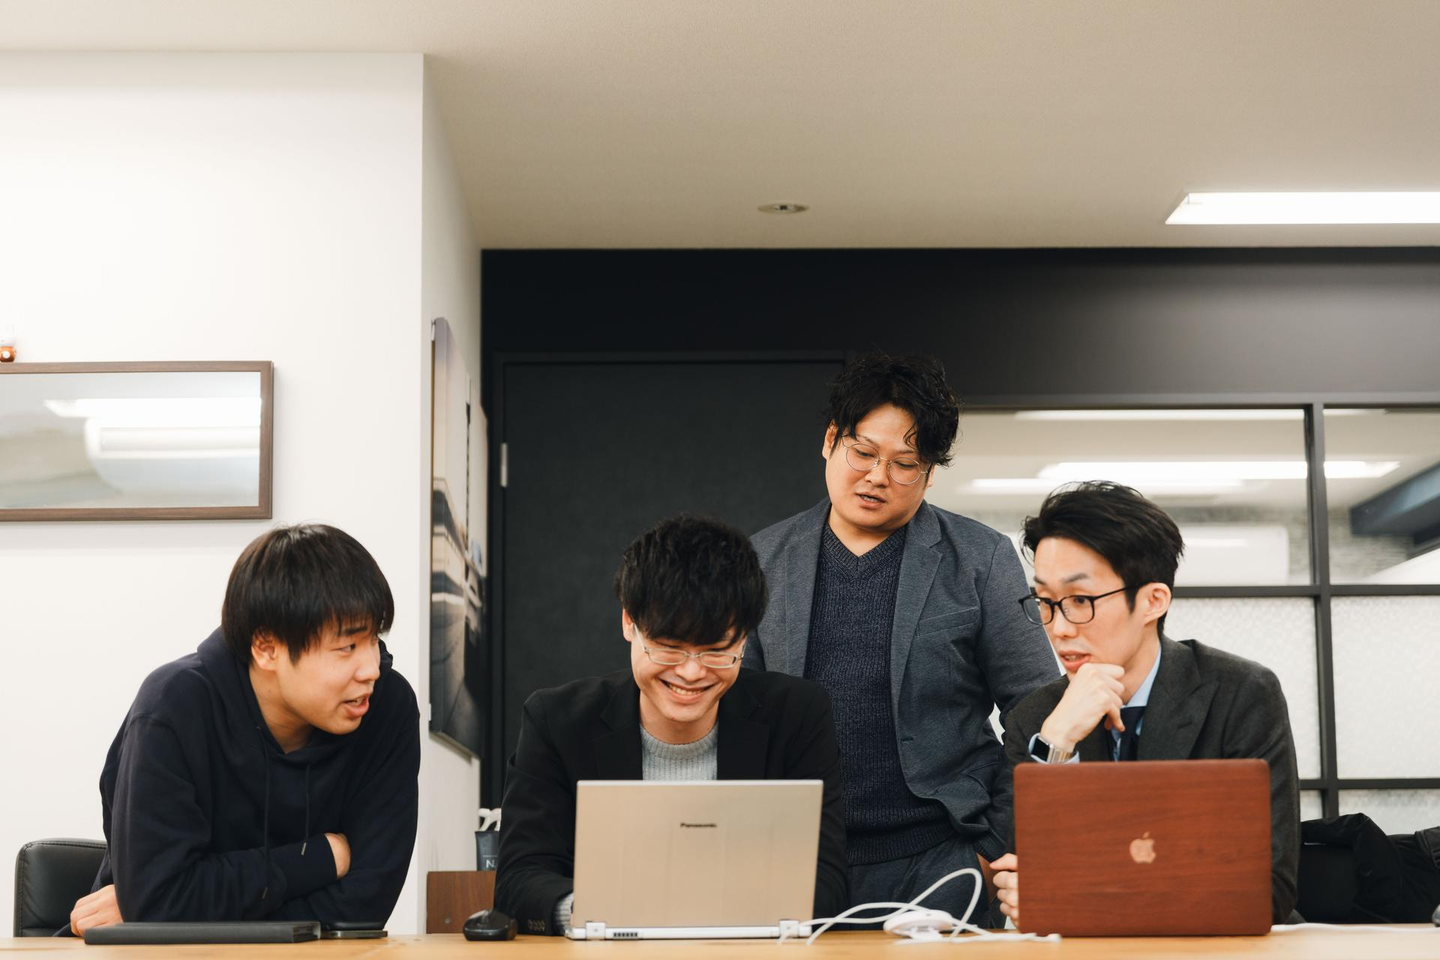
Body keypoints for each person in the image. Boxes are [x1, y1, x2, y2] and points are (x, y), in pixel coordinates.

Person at [746, 353, 1058, 920]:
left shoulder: (980, 558)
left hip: (943, 859)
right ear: (831, 441)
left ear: (931, 472)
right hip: (796, 860)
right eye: (863, 453)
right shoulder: (763, 559)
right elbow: (734, 715)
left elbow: (1037, 710)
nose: (877, 476)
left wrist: (995, 845)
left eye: (904, 463)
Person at [495, 515, 849, 935]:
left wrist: (689, 909)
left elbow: (828, 883)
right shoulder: (557, 721)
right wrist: (600, 911)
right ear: (629, 622)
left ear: (744, 637)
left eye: (716, 650)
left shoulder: (796, 715)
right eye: (669, 648)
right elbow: (518, 881)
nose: (691, 672)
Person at [69, 524, 419, 935]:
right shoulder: (173, 706)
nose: (371, 668)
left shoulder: (386, 708)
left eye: (374, 639)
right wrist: (320, 858)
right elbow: (160, 901)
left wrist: (183, 911)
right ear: (267, 648)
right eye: (347, 647)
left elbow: (364, 908)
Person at [990, 481, 1300, 925]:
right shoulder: (1039, 719)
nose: (1058, 627)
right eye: (1045, 601)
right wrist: (1056, 746)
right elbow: (1021, 880)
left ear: (1153, 601)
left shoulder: (1240, 693)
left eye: (1080, 600)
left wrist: (1087, 898)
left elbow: (1266, 888)